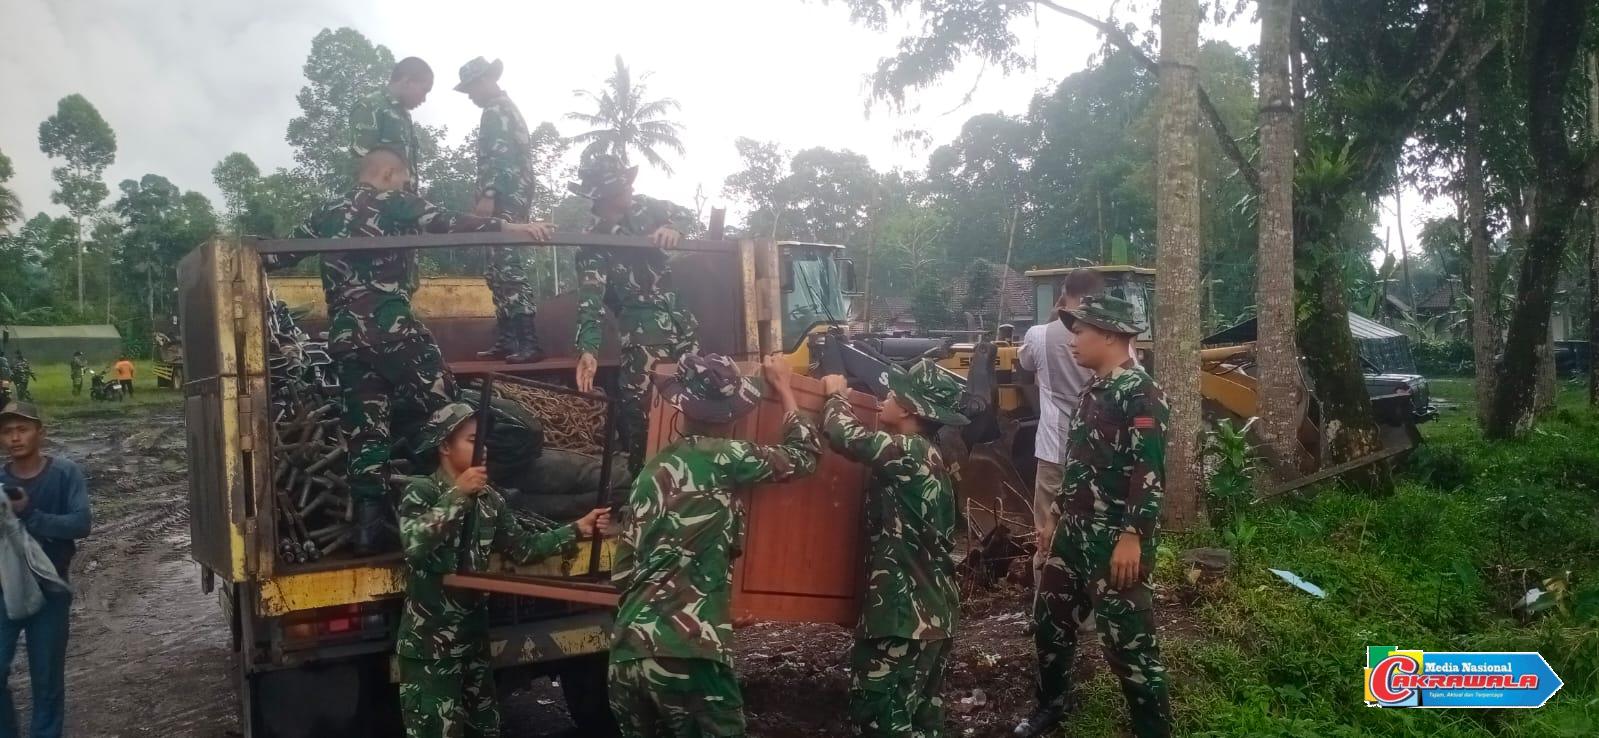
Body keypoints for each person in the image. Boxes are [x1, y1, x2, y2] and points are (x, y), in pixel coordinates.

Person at [265, 147, 553, 555]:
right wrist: (512, 227)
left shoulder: (326, 212)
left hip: (347, 339)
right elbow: (447, 222)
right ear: (386, 174)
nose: (407, 186)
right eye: (404, 179)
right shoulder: (393, 201)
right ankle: (476, 498)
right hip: (393, 330)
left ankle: (368, 529)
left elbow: (275, 254)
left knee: (366, 433)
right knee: (450, 411)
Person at [609, 353, 822, 737]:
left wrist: (714, 611)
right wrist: (786, 390)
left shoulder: (650, 473)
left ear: (682, 408)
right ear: (732, 415)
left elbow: (623, 575)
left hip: (627, 657)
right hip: (688, 657)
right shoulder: (723, 456)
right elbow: (803, 457)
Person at [396, 402, 609, 738]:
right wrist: (458, 495)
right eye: (470, 440)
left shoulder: (490, 501)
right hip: (431, 650)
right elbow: (414, 543)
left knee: (486, 729)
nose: (482, 448)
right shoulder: (423, 490)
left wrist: (577, 529)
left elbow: (524, 547)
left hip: (473, 644)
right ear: (444, 447)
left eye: (484, 440)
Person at [1015, 295, 1172, 738]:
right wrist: (1054, 518)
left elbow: (1150, 470)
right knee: (1050, 625)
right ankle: (1053, 705)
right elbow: (1077, 462)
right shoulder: (1091, 389)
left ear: (1109, 334)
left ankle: (1153, 730)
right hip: (1072, 536)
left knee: (1131, 648)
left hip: (1113, 542)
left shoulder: (1142, 392)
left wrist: (1132, 537)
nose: (1071, 341)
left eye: (1079, 331)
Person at [820, 360, 965, 738]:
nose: (883, 399)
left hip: (904, 619)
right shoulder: (934, 455)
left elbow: (843, 434)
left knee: (881, 718)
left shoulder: (909, 452)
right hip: (932, 615)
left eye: (891, 394)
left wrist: (835, 394)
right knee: (921, 721)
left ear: (908, 409)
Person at [567, 153, 699, 473]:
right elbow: (591, 300)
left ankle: (692, 486)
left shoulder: (646, 207)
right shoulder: (592, 243)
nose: (631, 189)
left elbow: (686, 215)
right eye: (623, 186)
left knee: (695, 407)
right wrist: (588, 349)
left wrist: (673, 229)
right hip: (643, 338)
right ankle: (645, 496)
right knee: (644, 417)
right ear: (605, 195)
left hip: (683, 327)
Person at [0, 401, 92, 738]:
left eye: (22, 429)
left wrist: (28, 515)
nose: (14, 437)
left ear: (41, 433)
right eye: (7, 431)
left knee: (47, 680)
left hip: (51, 589)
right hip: (5, 589)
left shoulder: (65, 473)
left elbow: (81, 524)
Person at [454, 56, 545, 365]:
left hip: (506, 197)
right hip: (508, 195)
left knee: (507, 265)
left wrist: (489, 193)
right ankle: (508, 339)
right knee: (496, 268)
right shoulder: (503, 109)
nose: (470, 96)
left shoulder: (496, 111)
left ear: (483, 81)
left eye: (470, 90)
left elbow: (500, 156)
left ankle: (528, 342)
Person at [1017, 269, 1103, 582]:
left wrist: (1056, 313)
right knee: (1093, 527)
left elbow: (1025, 363)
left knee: (1046, 530)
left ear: (1064, 293)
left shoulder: (1039, 336)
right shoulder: (1113, 340)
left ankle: (1046, 608)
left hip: (1055, 451)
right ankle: (1089, 612)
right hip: (1097, 452)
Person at [350, 57, 433, 188]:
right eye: (424, 90)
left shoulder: (404, 115)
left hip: (401, 201)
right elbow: (363, 163)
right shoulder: (371, 105)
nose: (424, 99)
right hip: (375, 202)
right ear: (407, 81)